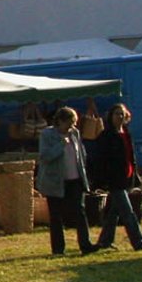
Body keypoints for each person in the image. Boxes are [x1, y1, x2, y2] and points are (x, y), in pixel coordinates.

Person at [37, 106, 98, 256]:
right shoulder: (47, 134)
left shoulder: (75, 133)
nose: (72, 126)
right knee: (56, 216)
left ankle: (85, 245)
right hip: (55, 181)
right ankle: (58, 249)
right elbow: (45, 156)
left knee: (80, 212)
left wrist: (85, 176)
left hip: (75, 180)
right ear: (60, 121)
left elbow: (81, 155)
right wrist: (61, 145)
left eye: (74, 123)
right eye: (69, 122)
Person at [89, 102, 142, 251]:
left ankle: (105, 241)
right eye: (117, 114)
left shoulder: (126, 133)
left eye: (122, 114)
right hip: (114, 180)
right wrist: (102, 180)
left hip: (126, 178)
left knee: (114, 212)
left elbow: (130, 157)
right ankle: (138, 241)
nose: (120, 116)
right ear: (111, 116)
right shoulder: (107, 135)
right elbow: (100, 159)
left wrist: (134, 177)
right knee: (128, 212)